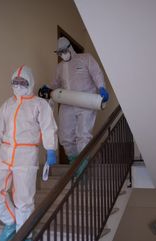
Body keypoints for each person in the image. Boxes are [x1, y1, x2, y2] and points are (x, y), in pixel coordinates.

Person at [0, 65, 58, 241]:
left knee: (24, 199)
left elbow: (48, 128)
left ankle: (25, 235)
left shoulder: (39, 104)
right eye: (15, 82)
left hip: (26, 155)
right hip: (5, 152)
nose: (18, 85)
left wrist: (50, 149)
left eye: (22, 82)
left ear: (30, 82)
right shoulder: (7, 104)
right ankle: (11, 222)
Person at [44, 37, 109, 166]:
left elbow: (96, 73)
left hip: (85, 101)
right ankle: (74, 162)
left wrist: (101, 87)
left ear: (70, 48)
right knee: (65, 137)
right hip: (67, 104)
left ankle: (84, 164)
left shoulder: (85, 58)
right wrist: (48, 88)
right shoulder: (59, 67)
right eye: (59, 53)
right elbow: (56, 83)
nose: (62, 54)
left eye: (63, 51)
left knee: (83, 135)